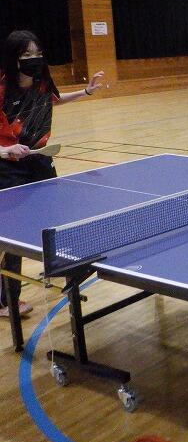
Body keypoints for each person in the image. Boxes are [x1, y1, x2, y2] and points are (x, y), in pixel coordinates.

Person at [0, 30, 104, 318]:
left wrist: (84, 92)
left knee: (52, 217)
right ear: (13, 58)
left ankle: (58, 271)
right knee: (15, 233)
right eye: (26, 54)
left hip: (39, 159)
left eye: (37, 53)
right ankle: (7, 300)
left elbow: (53, 99)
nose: (34, 59)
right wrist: (5, 151)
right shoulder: (2, 89)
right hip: (9, 166)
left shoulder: (42, 82)